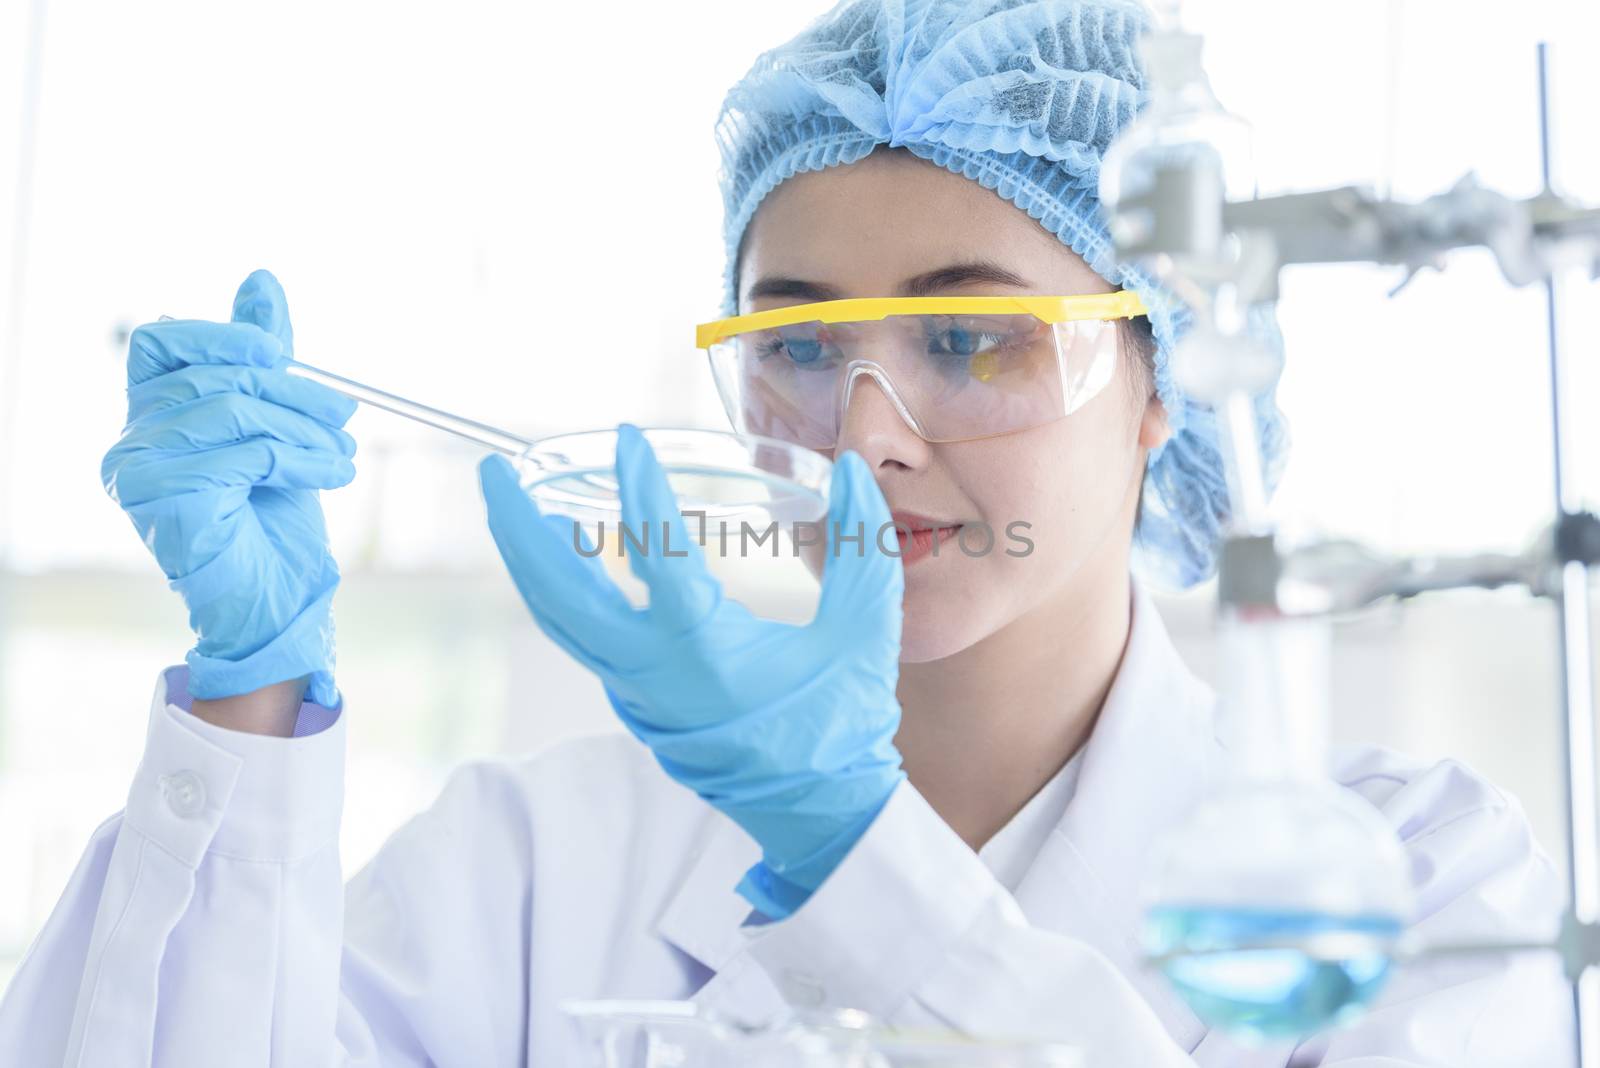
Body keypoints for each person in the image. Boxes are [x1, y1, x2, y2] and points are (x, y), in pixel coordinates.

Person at [0, 0, 1573, 1064]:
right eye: (803, 347)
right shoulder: (540, 861)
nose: (870, 433)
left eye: (973, 341)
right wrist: (252, 696)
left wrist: (851, 854)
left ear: (1170, 380)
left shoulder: (1419, 880)